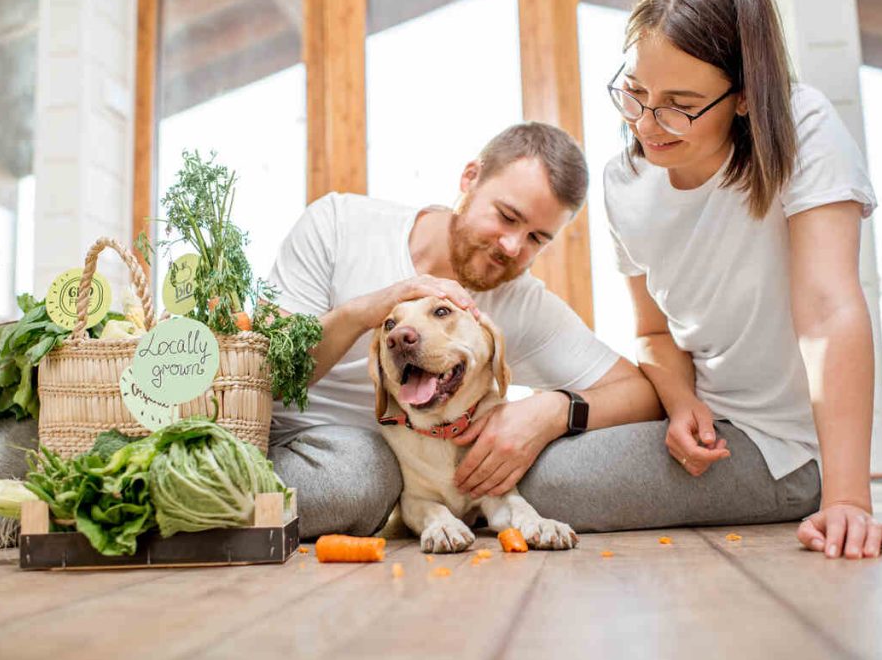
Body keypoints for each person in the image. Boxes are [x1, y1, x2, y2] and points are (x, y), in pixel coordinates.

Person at [569, 0, 882, 559]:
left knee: (549, 484)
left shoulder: (802, 128)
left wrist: (848, 499)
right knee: (531, 457)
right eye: (635, 91)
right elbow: (652, 332)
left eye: (681, 107)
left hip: (789, 450)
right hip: (709, 428)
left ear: (745, 96)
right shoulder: (624, 181)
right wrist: (680, 404)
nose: (646, 125)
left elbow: (828, 311)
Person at [264, 122, 663, 539]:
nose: (511, 246)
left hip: (410, 483)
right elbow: (268, 374)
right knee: (364, 474)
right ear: (469, 178)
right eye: (507, 217)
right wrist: (366, 312)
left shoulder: (521, 304)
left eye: (536, 239)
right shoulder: (339, 224)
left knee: (559, 467)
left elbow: (639, 394)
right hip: (295, 451)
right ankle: (232, 503)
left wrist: (551, 412)